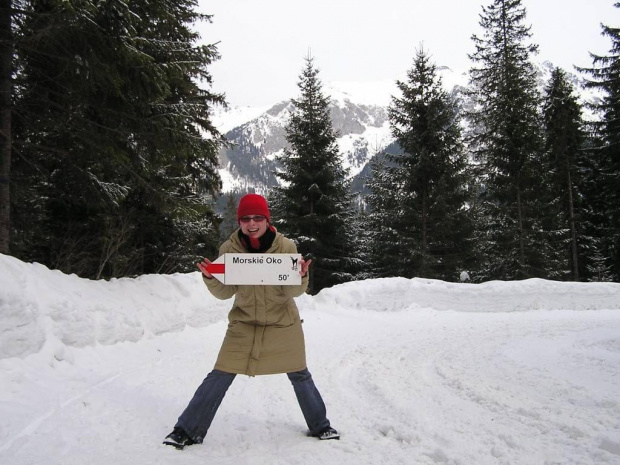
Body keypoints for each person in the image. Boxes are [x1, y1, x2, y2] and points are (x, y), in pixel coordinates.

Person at [163, 193, 339, 449]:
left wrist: (301, 276)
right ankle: (187, 430)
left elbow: (293, 292)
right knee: (220, 374)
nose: (252, 224)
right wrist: (211, 278)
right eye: (245, 219)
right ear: (240, 222)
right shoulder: (228, 249)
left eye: (258, 218)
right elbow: (226, 292)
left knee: (300, 374)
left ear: (267, 220)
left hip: (282, 322)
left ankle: (321, 426)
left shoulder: (286, 247)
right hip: (244, 323)